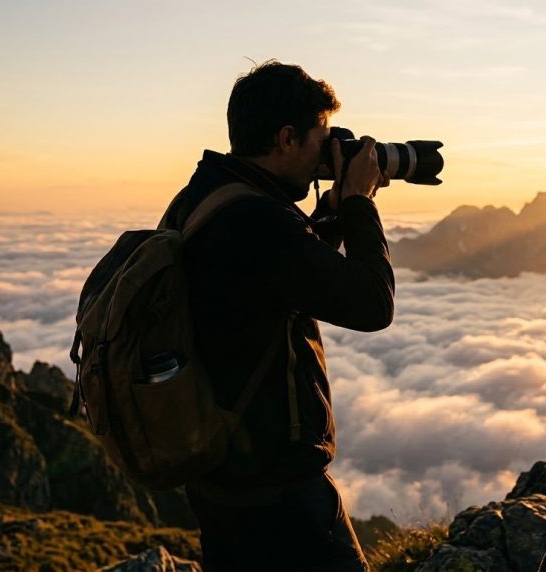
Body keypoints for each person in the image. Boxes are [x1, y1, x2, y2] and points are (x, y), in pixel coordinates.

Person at [158, 61, 393, 571]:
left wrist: (328, 210)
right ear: (287, 138)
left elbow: (282, 281)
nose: (322, 158)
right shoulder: (256, 221)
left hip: (221, 478)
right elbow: (373, 305)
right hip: (278, 490)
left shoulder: (208, 196)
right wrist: (358, 204)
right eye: (319, 141)